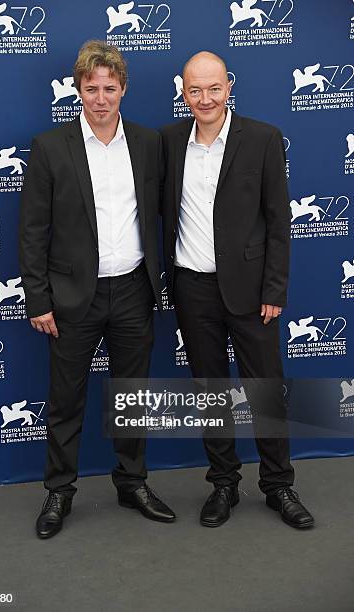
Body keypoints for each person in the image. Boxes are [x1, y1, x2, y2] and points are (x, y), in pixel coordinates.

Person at [19, 40, 176, 539]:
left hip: (133, 289)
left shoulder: (149, 143)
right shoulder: (49, 147)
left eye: (110, 88)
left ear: (123, 89)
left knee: (133, 396)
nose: (101, 97)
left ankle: (132, 483)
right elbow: (32, 230)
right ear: (78, 90)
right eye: (92, 88)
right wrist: (38, 298)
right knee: (65, 399)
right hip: (70, 297)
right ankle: (59, 491)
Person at [160, 51, 314, 529]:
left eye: (213, 88)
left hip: (252, 293)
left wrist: (275, 288)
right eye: (194, 90)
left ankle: (278, 486)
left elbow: (278, 221)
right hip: (193, 288)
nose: (204, 99)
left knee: (265, 390)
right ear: (182, 91)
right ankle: (223, 483)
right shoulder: (167, 141)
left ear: (229, 85)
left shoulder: (264, 138)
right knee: (209, 391)